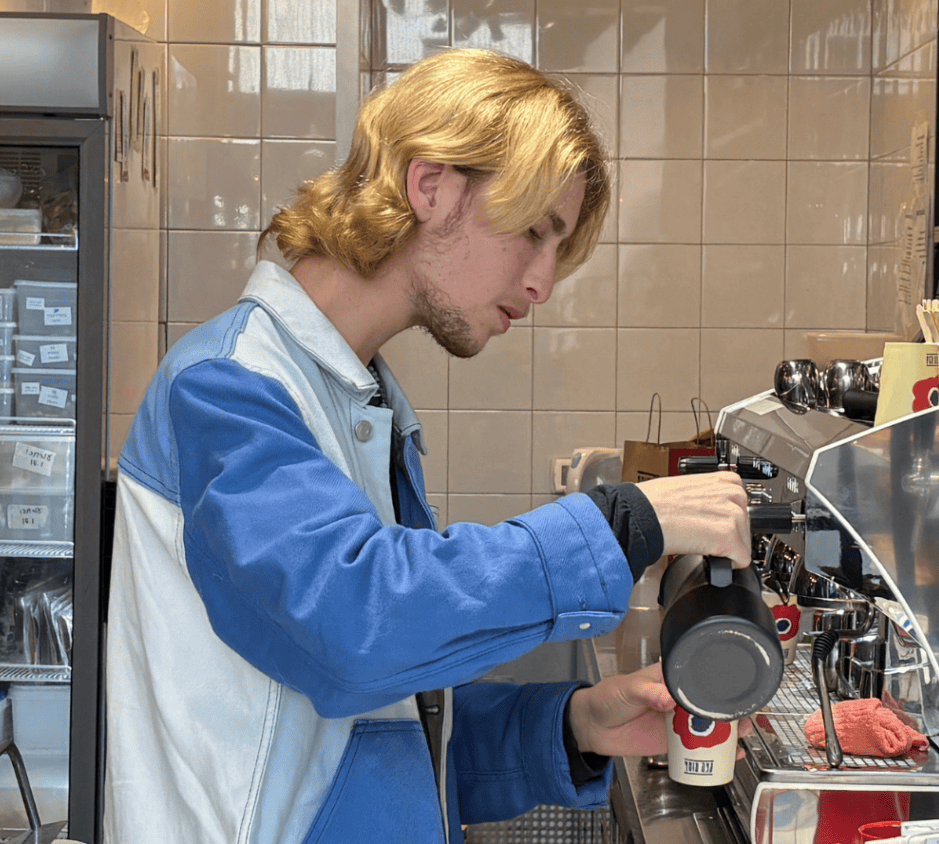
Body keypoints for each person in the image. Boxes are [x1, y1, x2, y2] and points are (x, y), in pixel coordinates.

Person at [102, 48, 754, 844]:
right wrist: (621, 522)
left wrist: (576, 723)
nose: (544, 280)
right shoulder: (228, 389)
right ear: (431, 186)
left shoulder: (360, 401)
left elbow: (382, 734)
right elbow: (353, 629)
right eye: (534, 231)